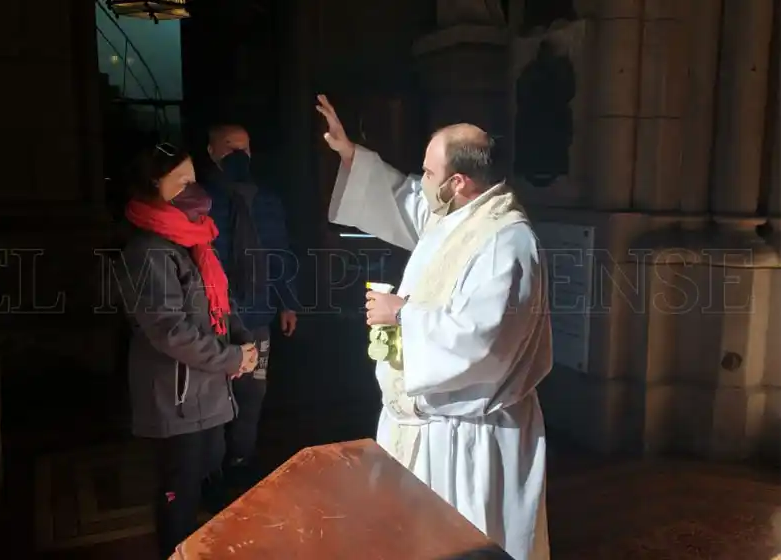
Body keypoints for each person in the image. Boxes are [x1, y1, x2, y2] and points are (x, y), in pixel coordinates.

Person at [317, 94, 553, 560]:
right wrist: (350, 155)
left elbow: (483, 340)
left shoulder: (508, 241)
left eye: (428, 172)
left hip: (468, 440)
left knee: (464, 543)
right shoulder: (461, 213)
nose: (420, 181)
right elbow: (408, 201)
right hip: (431, 429)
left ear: (459, 182)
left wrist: (401, 313)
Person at [117, 142, 259, 559]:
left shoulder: (194, 239)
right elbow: (170, 331)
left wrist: (241, 337)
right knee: (179, 490)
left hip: (207, 390)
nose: (193, 189)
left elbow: (219, 302)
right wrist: (233, 358)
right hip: (177, 397)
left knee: (206, 470)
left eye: (194, 179)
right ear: (151, 187)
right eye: (181, 182)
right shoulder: (147, 252)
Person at [201, 124, 300, 479]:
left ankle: (240, 462)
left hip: (257, 312)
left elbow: (281, 254)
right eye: (229, 148)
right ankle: (209, 470)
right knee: (213, 396)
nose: (238, 155)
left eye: (244, 148)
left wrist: (288, 302)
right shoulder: (200, 202)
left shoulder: (267, 201)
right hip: (212, 318)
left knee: (252, 392)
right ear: (211, 152)